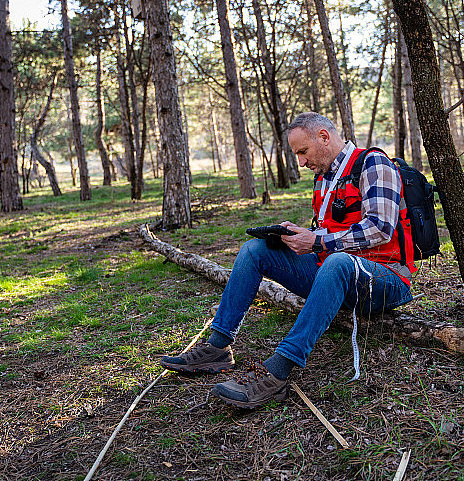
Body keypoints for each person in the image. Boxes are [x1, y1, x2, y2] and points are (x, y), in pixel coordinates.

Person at [160, 112, 416, 408]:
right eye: (297, 155)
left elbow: (380, 228)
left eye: (303, 152)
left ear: (324, 137)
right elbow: (331, 232)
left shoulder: (373, 163)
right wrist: (299, 235)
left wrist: (317, 241)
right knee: (254, 250)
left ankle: (277, 371)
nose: (302, 162)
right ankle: (218, 347)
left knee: (337, 263)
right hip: (334, 275)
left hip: (385, 279)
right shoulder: (324, 177)